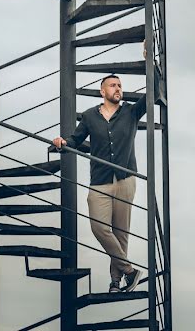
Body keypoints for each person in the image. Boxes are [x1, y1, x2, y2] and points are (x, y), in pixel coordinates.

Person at [53, 72, 150, 294]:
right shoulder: (89, 116)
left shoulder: (131, 112)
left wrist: (148, 58)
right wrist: (62, 142)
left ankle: (116, 282)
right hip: (99, 182)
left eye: (119, 85)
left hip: (125, 180)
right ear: (102, 91)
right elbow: (75, 140)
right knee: (99, 228)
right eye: (112, 85)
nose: (117, 88)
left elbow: (152, 91)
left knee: (121, 232)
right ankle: (129, 271)